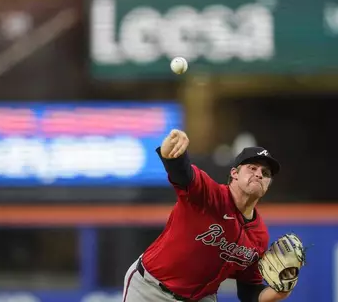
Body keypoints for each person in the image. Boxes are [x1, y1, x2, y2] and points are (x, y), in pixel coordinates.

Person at [122, 129, 298, 302]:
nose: (259, 174)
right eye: (252, 168)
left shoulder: (259, 236)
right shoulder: (209, 195)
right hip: (151, 289)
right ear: (234, 173)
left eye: (266, 173)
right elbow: (183, 174)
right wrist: (172, 155)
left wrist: (280, 292)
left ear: (268, 184)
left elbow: (249, 291)